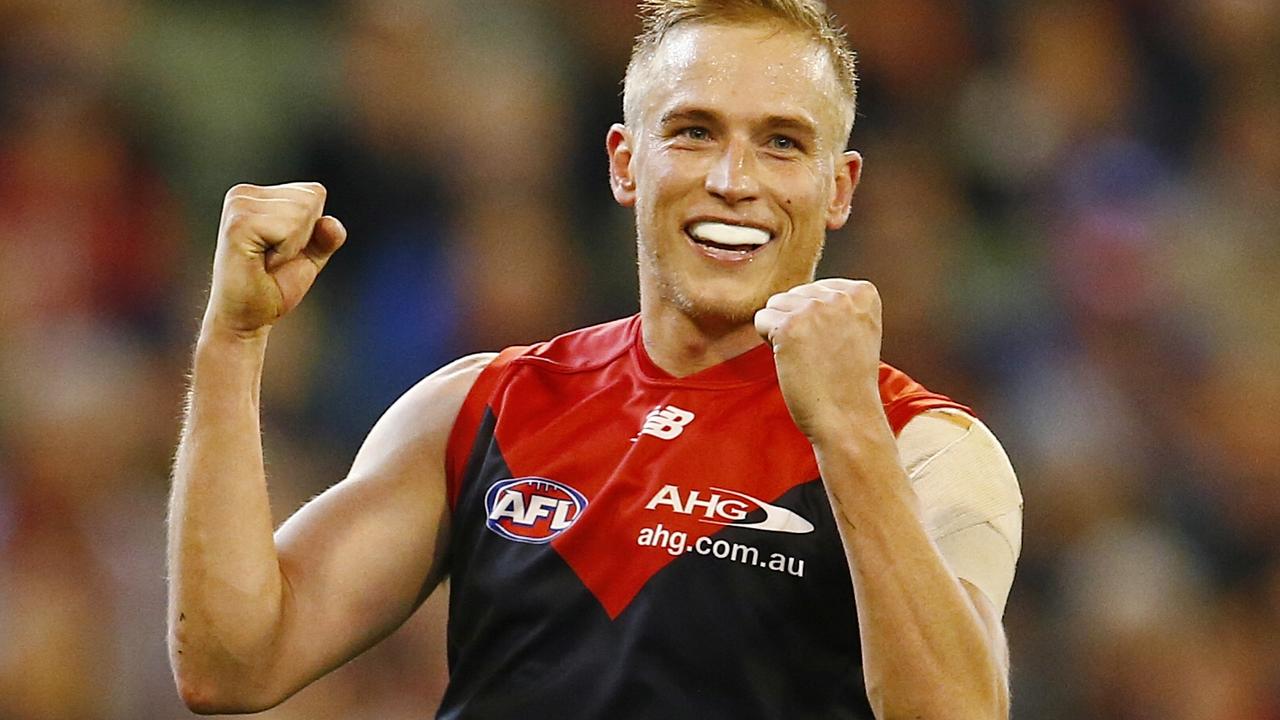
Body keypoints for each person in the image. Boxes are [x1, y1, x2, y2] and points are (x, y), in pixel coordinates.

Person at [167, 1, 1023, 717]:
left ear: (838, 189)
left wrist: (848, 433)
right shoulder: (482, 406)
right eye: (693, 131)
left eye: (783, 143)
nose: (734, 178)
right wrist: (233, 344)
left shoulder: (927, 448)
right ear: (624, 163)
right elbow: (232, 663)